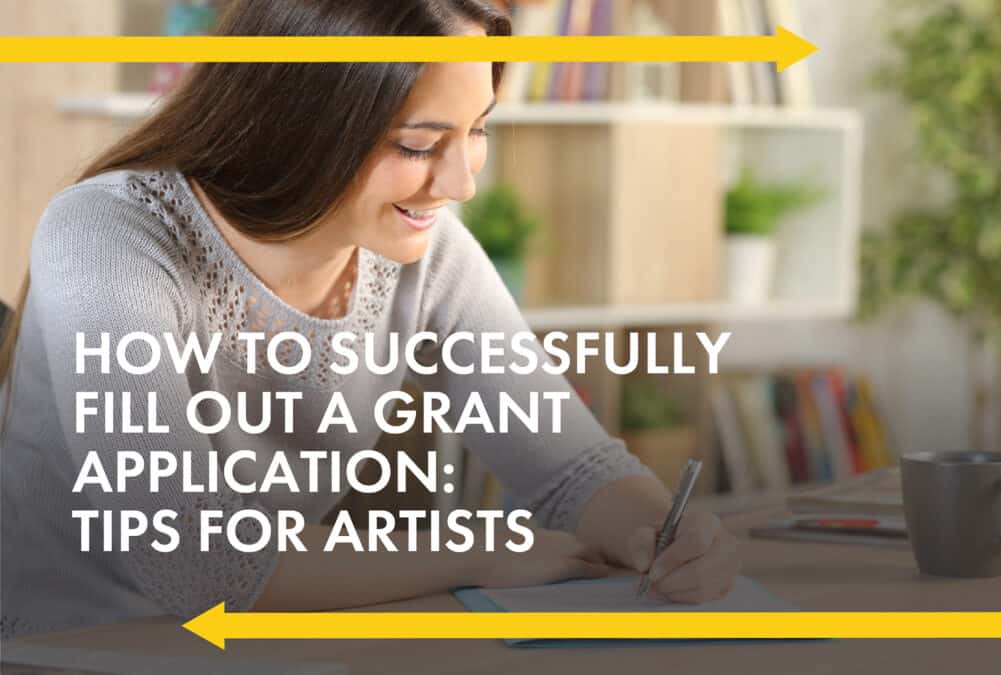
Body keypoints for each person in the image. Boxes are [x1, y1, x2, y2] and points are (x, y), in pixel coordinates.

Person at [0, 0, 739, 639]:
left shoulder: (425, 249)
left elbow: (571, 467)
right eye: (419, 145)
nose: (460, 183)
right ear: (305, 124)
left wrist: (662, 535)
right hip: (78, 646)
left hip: (271, 647)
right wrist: (477, 550)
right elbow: (197, 560)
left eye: (477, 130)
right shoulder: (108, 234)